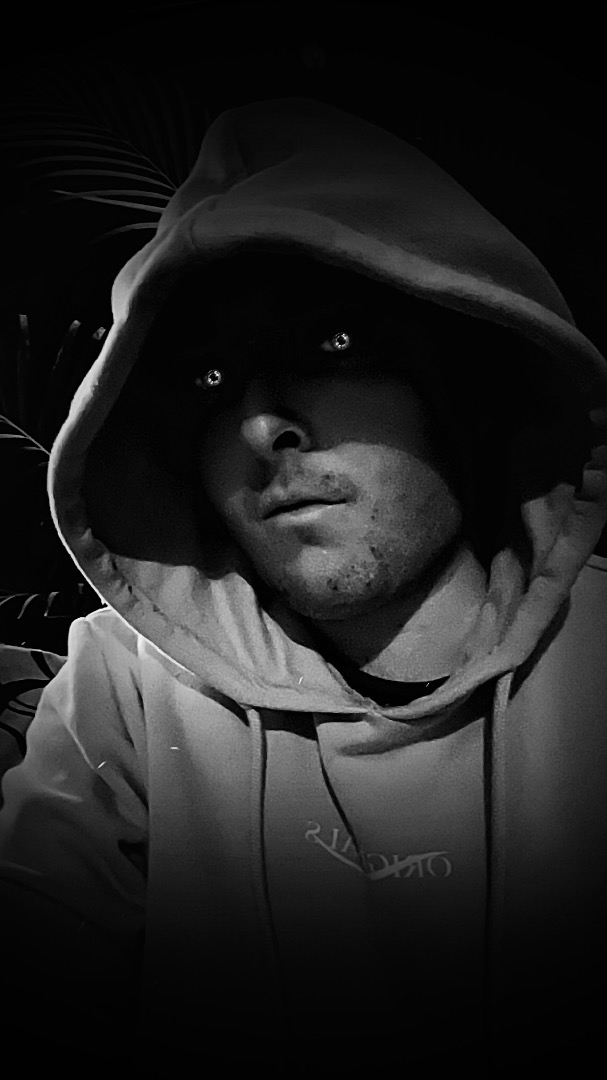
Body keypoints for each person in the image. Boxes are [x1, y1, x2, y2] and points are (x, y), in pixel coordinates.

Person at [1, 96, 606, 1075]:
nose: (258, 427)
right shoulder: (126, 683)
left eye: (333, 347)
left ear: (461, 386)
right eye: (207, 382)